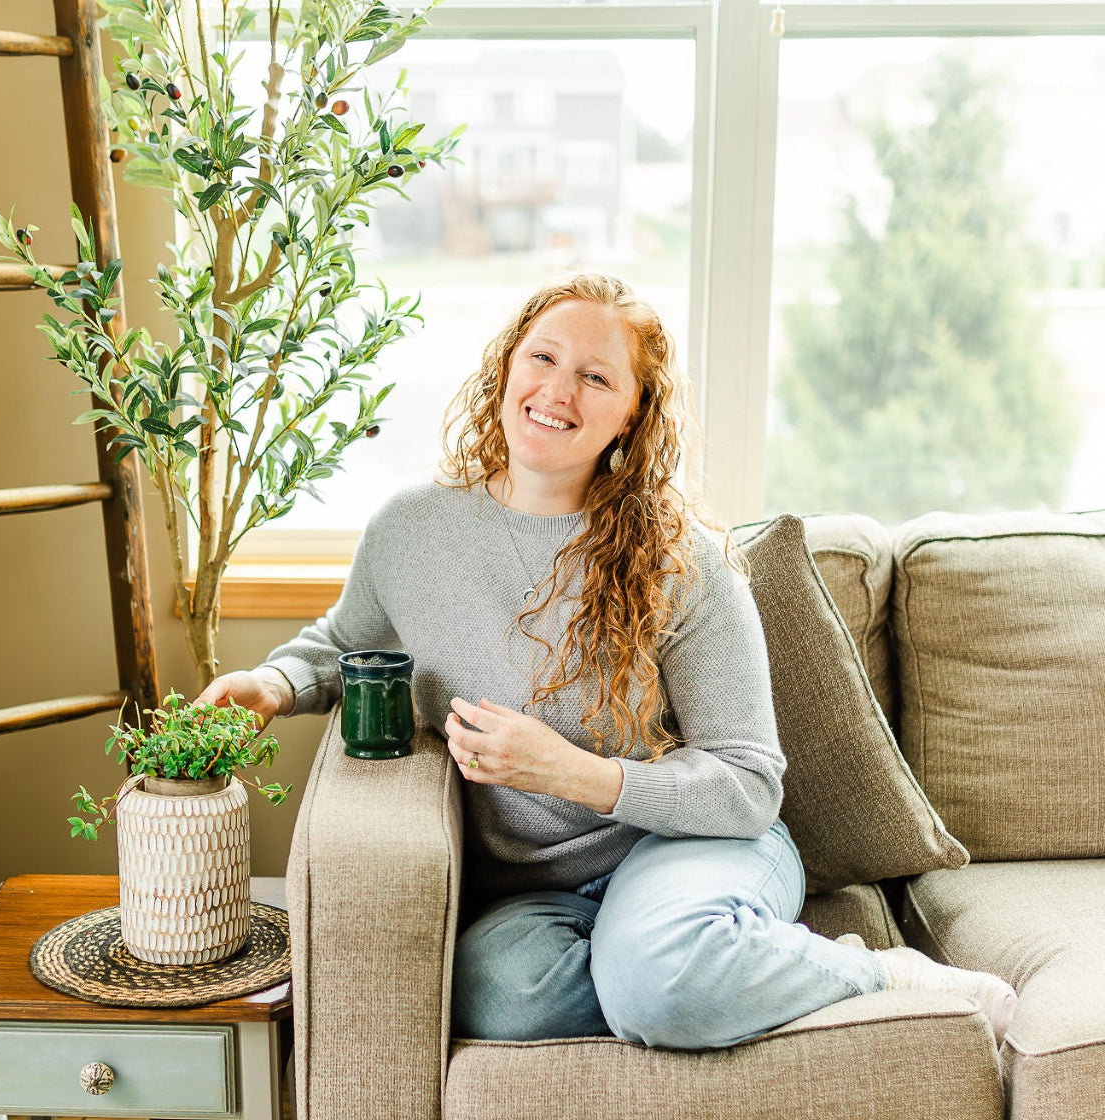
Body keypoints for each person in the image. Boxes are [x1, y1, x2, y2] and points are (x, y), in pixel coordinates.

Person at [198, 273, 1017, 1049]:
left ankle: (869, 974)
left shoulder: (680, 561)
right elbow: (344, 647)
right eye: (543, 358)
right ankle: (690, 962)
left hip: (690, 845)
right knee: (497, 997)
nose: (558, 391)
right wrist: (272, 685)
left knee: (662, 986)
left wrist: (571, 773)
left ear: (631, 414)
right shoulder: (411, 533)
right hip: (536, 894)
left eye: (596, 377)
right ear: (507, 366)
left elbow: (748, 784)